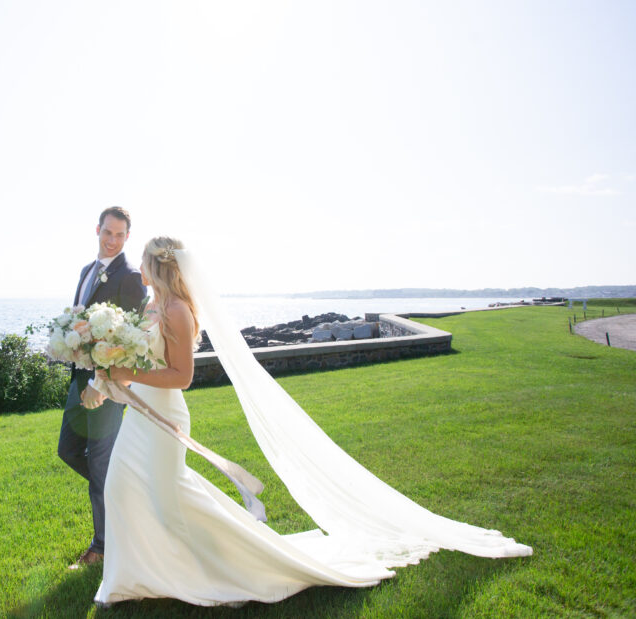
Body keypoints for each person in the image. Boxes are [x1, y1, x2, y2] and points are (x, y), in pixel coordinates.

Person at [92, 237, 532, 607]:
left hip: (163, 417)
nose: (141, 267)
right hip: (139, 414)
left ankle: (225, 566)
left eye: (146, 261)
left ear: (157, 265)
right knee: (122, 489)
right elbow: (139, 358)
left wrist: (127, 373)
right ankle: (128, 580)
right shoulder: (152, 305)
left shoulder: (178, 312)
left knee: (169, 499)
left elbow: (182, 377)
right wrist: (108, 369)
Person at [57, 206, 146, 570]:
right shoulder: (85, 271)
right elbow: (81, 321)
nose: (112, 240)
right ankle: (122, 495)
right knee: (68, 450)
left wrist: (101, 382)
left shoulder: (130, 277)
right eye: (108, 232)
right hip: (79, 378)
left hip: (106, 385)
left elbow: (131, 341)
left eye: (120, 235)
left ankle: (103, 547)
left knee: (100, 463)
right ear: (97, 230)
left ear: (127, 237)